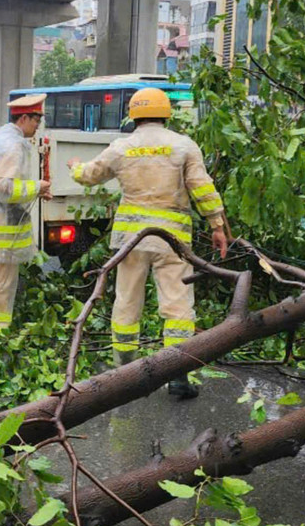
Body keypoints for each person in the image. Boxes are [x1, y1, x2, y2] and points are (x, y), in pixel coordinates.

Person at [67, 87, 229, 399]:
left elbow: (89, 175)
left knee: (127, 303)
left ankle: (123, 376)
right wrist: (217, 224)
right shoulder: (183, 145)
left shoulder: (121, 147)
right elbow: (202, 188)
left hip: (131, 241)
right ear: (166, 112)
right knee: (178, 307)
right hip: (173, 240)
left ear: (134, 114)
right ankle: (178, 376)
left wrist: (74, 165)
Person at [0, 93, 51, 332]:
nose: (38, 125)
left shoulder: (1, 137)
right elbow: (4, 186)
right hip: (5, 230)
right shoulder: (14, 145)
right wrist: (37, 186)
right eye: (37, 119)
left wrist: (35, 190)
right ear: (25, 118)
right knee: (2, 283)